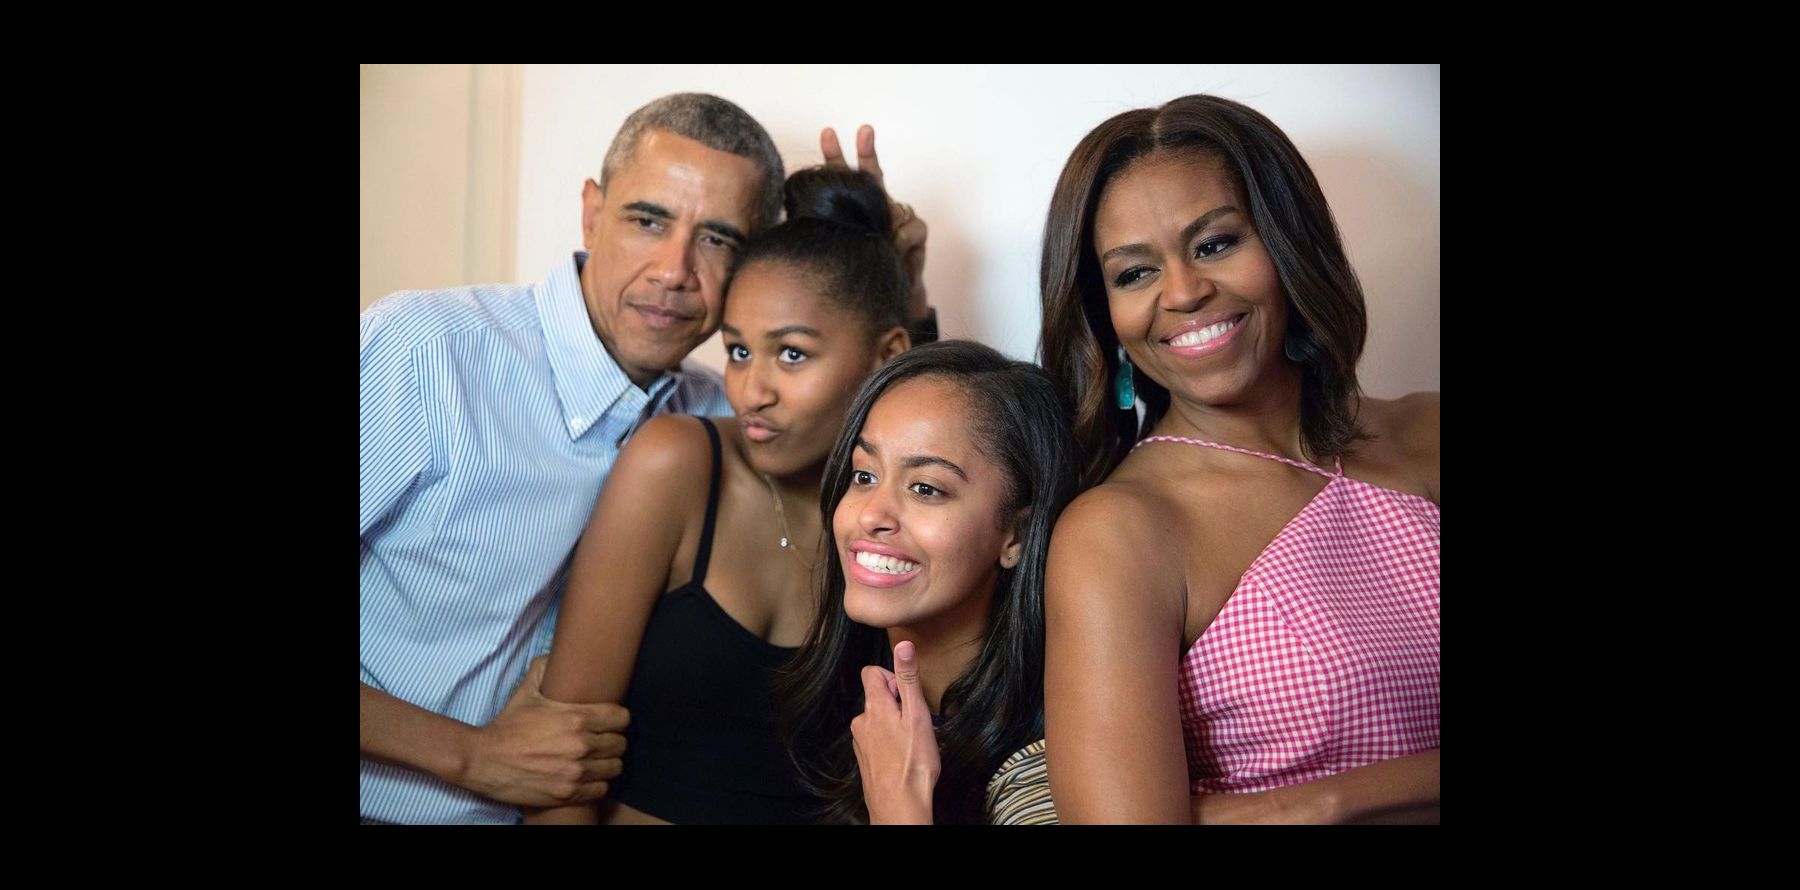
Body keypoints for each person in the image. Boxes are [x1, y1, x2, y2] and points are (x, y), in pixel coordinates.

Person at [360, 91, 930, 824]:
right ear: (592, 211)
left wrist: (894, 287)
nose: (674, 269)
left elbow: (868, 407)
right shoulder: (426, 353)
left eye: (719, 238)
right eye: (648, 219)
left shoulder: (725, 412)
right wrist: (471, 755)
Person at [1037, 94, 1441, 824]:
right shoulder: (1118, 535)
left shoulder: (1431, 431)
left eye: (1216, 243)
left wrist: (1315, 805)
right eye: (1134, 274)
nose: (1185, 292)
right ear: (1104, 317)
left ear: (1289, 245)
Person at [527, 164, 922, 824]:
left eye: (791, 355)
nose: (751, 391)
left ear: (887, 357)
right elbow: (560, 765)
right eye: (738, 353)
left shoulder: (901, 515)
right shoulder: (676, 464)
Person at [777, 340, 1080, 824]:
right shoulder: (850, 707)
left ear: (1016, 535)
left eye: (926, 489)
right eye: (864, 475)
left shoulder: (1042, 774)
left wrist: (901, 810)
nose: (872, 515)